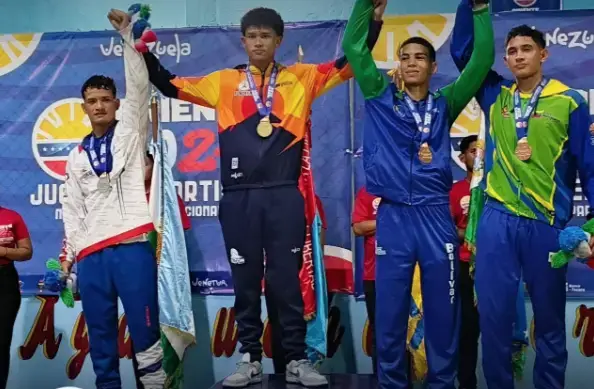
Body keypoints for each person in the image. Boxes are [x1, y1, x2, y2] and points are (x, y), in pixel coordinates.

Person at [132, 4, 384, 387]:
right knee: (246, 282)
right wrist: (143, 49)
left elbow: (350, 63)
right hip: (238, 197)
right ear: (243, 40)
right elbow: (169, 84)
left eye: (266, 36)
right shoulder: (223, 82)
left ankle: (298, 359)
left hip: (285, 196)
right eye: (252, 36)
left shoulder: (302, 78)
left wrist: (375, 20)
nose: (258, 42)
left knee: (286, 282)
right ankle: (248, 357)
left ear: (279, 40)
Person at [342, 0, 494, 387]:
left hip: (434, 217)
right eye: (405, 56)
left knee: (443, 313)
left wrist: (479, 10)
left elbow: (480, 63)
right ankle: (392, 384)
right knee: (390, 315)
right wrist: (366, 5)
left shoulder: (445, 104)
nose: (411, 62)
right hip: (392, 217)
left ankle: (442, 384)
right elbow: (354, 47)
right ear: (398, 64)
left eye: (420, 57)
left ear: (432, 66)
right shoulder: (379, 95)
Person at [451, 2, 594, 387]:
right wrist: (472, 6)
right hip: (496, 221)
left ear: (543, 54)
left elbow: (589, 166)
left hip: (545, 223)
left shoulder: (570, 101)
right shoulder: (494, 93)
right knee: (494, 320)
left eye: (526, 49)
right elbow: (462, 52)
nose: (517, 56)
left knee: (548, 320)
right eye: (511, 50)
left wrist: (593, 220)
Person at [61, 10, 165, 388]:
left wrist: (125, 35)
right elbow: (72, 210)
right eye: (92, 100)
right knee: (101, 344)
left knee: (145, 336)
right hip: (90, 256)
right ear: (85, 106)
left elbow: (139, 86)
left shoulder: (130, 135)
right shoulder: (75, 156)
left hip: (132, 244)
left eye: (106, 98)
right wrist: (69, 258)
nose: (100, 105)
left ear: (116, 104)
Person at [266, 194, 327, 374]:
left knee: (304, 337)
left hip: (307, 278)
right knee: (279, 336)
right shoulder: (269, 199)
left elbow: (318, 241)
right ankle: (280, 377)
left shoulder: (312, 200)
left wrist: (312, 273)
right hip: (277, 278)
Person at [0, 207, 32, 389]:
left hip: (5, 282)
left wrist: (3, 251)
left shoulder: (12, 217)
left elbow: (26, 252)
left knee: (1, 342)